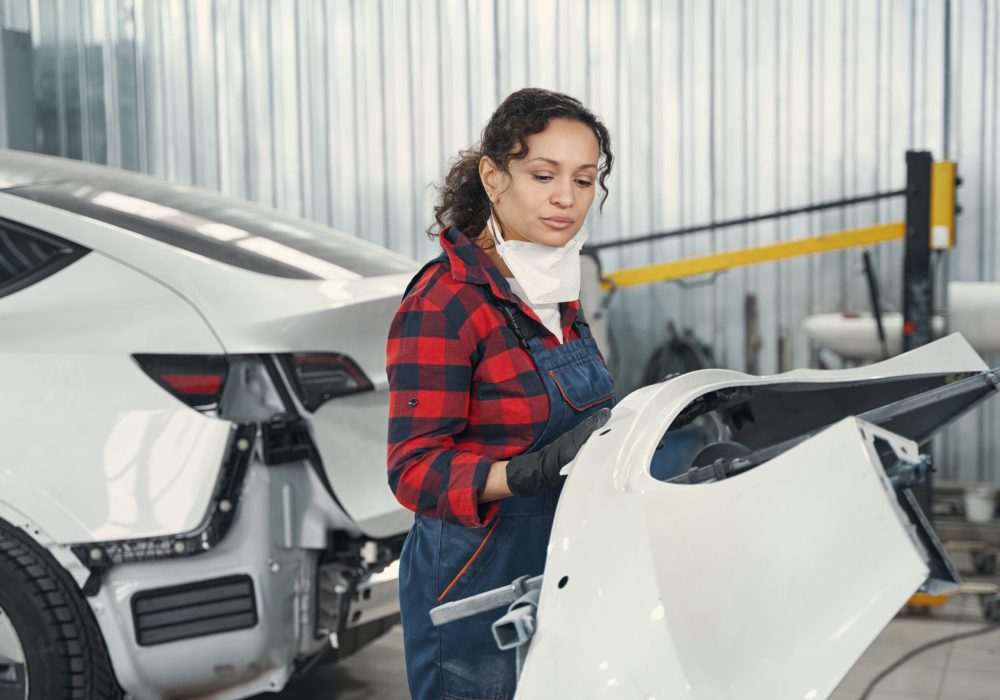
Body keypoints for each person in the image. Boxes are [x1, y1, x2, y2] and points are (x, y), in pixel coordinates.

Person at [386, 87, 616, 700]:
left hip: (558, 557)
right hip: (473, 570)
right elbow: (412, 470)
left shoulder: (552, 285)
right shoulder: (444, 303)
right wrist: (519, 474)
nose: (567, 198)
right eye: (544, 175)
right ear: (493, 176)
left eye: (586, 179)